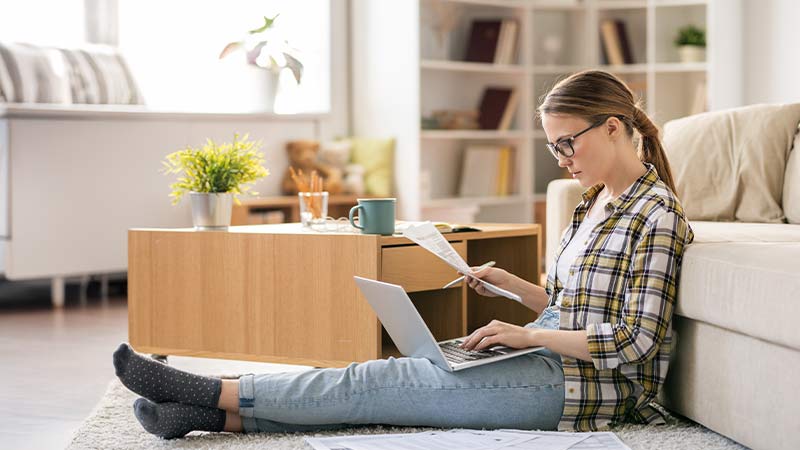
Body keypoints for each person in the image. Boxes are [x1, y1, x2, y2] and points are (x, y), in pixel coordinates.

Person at [112, 70, 694, 439]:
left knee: (382, 383)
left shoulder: (657, 215)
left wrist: (526, 335)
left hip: (585, 389)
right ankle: (217, 418)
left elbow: (634, 341)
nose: (561, 158)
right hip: (551, 361)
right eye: (552, 146)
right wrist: (512, 288)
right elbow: (568, 305)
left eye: (568, 142)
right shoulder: (586, 204)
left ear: (614, 128)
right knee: (389, 378)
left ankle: (212, 393)